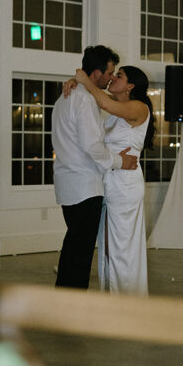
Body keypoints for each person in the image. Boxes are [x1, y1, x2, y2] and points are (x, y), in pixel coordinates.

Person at [52, 45, 138, 289]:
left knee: (73, 247)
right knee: (80, 253)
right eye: (110, 72)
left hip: (68, 184)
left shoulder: (65, 97)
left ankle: (63, 301)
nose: (111, 77)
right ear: (97, 73)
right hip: (85, 186)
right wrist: (121, 161)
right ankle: (73, 307)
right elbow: (92, 146)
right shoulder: (84, 100)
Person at [70, 65, 154, 295]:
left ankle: (126, 303)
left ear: (130, 85)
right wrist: (75, 82)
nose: (113, 78)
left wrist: (84, 80)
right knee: (108, 244)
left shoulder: (139, 107)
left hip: (125, 184)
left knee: (122, 247)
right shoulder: (119, 108)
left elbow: (104, 102)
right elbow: (100, 98)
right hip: (111, 181)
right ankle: (112, 298)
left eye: (119, 76)